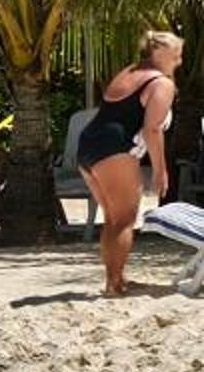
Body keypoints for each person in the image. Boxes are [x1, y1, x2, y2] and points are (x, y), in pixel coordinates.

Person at [75, 28, 183, 298]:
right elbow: (153, 129)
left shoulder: (129, 72)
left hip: (88, 146)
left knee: (113, 219)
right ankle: (114, 285)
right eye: (177, 55)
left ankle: (116, 280)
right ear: (159, 53)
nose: (179, 61)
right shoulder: (161, 83)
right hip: (114, 150)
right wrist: (160, 170)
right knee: (124, 220)